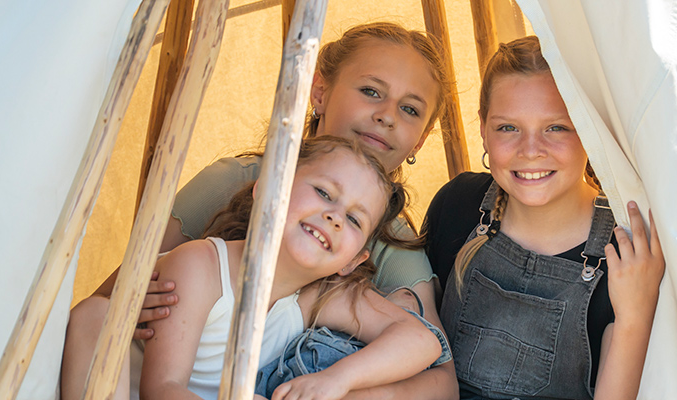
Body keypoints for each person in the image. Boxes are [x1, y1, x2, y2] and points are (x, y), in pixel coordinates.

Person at [92, 21, 453, 345]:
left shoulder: (395, 242)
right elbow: (106, 298)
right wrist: (130, 304)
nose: (386, 115)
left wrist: (331, 385)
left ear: (419, 141)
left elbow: (436, 375)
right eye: (371, 91)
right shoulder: (235, 179)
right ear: (319, 93)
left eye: (409, 110)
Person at [62, 137, 444, 400]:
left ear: (352, 261)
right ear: (268, 189)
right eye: (324, 193)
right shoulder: (201, 267)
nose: (334, 217)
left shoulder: (317, 296)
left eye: (355, 220)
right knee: (94, 314)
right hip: (123, 392)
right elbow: (162, 389)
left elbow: (422, 341)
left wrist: (336, 380)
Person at [423, 36, 666, 399]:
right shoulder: (458, 206)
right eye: (508, 128)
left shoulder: (626, 251)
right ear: (483, 130)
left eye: (556, 127)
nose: (531, 150)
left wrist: (635, 317)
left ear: (590, 131)